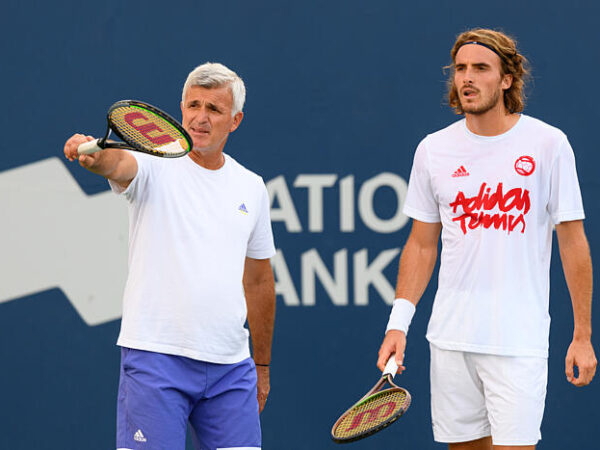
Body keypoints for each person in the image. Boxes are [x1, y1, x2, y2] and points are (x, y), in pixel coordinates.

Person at [377, 28, 597, 450]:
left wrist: (582, 335)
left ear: (507, 79)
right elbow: (421, 245)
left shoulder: (549, 144)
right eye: (460, 69)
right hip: (450, 341)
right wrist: (398, 324)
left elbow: (572, 243)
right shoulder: (432, 150)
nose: (467, 78)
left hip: (518, 342)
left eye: (480, 68)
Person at [64, 62, 276, 450]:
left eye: (214, 109)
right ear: (181, 109)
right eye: (193, 105)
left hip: (231, 368)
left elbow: (259, 280)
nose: (200, 117)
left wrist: (260, 365)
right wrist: (95, 158)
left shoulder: (252, 187)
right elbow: (116, 163)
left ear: (235, 120)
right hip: (156, 359)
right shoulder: (151, 164)